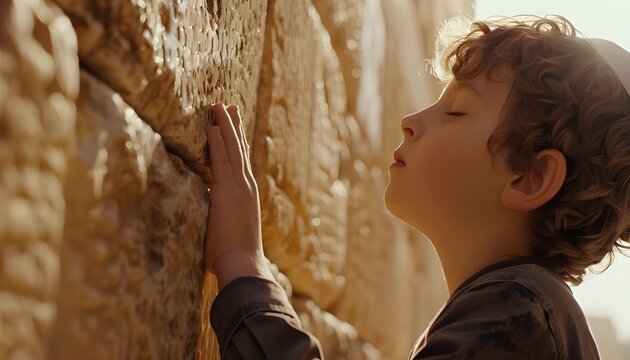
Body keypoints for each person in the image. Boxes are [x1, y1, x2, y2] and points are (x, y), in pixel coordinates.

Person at [203, 15, 630, 359]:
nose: (411, 120)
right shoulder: (522, 307)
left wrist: (242, 265)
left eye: (458, 111)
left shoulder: (521, 310)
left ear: (529, 178)